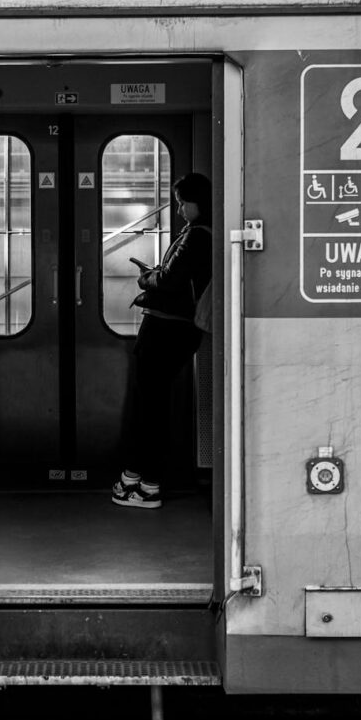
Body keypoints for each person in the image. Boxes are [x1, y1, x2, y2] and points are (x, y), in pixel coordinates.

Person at [112, 172, 212, 509]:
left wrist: (148, 277)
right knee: (152, 403)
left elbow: (170, 281)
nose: (181, 209)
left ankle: (147, 484)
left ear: (199, 202)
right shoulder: (200, 233)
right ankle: (137, 476)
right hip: (178, 330)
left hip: (166, 331)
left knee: (150, 405)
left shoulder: (197, 236)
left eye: (185, 202)